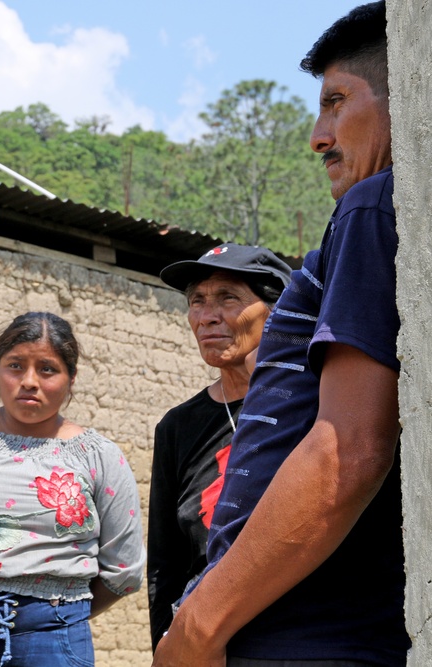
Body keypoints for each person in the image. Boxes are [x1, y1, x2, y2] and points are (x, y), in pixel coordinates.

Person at [153, 3, 407, 665]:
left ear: (407, 96)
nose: (318, 135)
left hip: (300, 637)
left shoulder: (370, 204)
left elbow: (349, 449)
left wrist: (201, 625)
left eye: (336, 101)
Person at [0, 312, 145, 667]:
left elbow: (125, 569)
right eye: (15, 366)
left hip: (57, 634)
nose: (29, 381)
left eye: (47, 369)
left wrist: (61, 612)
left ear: (71, 378)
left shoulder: (100, 457)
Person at [148, 244, 292, 650]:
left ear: (275, 308)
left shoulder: (309, 405)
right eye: (197, 301)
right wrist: (164, 644)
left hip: (296, 635)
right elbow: (166, 562)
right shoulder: (178, 427)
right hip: (206, 642)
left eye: (228, 297)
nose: (207, 316)